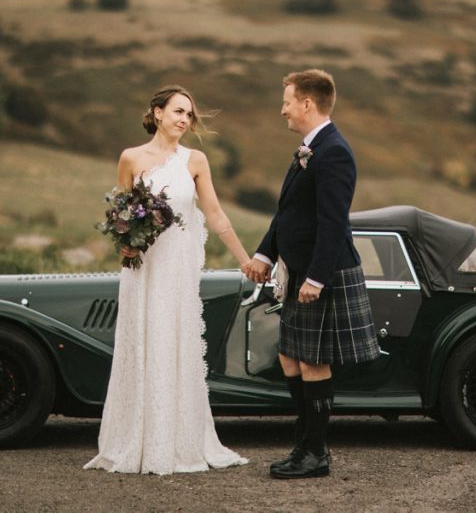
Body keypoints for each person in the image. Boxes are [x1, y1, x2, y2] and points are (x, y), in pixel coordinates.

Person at [85, 85, 249, 475]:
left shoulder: (195, 161)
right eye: (177, 111)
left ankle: (176, 440)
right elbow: (121, 215)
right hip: (143, 271)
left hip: (177, 271)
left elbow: (216, 215)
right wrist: (124, 245)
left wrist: (246, 260)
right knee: (143, 343)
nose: (183, 120)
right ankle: (135, 440)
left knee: (175, 344)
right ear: (157, 113)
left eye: (189, 115)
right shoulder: (130, 158)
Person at [243, 69, 379, 479]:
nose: (282, 108)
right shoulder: (309, 148)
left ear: (307, 103)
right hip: (300, 267)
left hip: (324, 272)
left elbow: (333, 221)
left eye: (287, 101)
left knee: (313, 361)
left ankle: (316, 453)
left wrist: (317, 279)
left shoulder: (333, 150)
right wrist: (265, 253)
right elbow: (289, 215)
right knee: (290, 355)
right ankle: (305, 442)